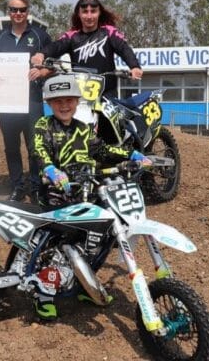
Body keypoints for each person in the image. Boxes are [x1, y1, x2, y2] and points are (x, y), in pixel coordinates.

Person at [30, 74, 150, 320]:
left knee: (93, 241)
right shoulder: (44, 125)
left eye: (69, 100)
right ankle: (43, 294)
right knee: (56, 246)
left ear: (77, 101)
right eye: (58, 101)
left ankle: (84, 285)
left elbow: (103, 150)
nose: (64, 105)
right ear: (49, 103)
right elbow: (38, 149)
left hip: (85, 194)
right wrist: (50, 169)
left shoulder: (83, 129)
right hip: (54, 195)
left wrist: (131, 154)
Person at [0, 0, 52, 204]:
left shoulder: (41, 36)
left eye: (22, 10)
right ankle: (17, 186)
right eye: (14, 9)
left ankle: (36, 187)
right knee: (11, 147)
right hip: (8, 103)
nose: (18, 13)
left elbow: (54, 65)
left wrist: (42, 72)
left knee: (35, 147)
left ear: (28, 12)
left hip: (33, 101)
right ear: (9, 12)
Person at [31, 0, 142, 98]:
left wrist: (134, 66)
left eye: (93, 11)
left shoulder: (109, 32)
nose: (89, 16)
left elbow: (124, 48)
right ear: (78, 14)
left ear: (99, 13)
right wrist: (41, 54)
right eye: (85, 12)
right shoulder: (72, 36)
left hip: (108, 94)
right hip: (80, 96)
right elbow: (56, 46)